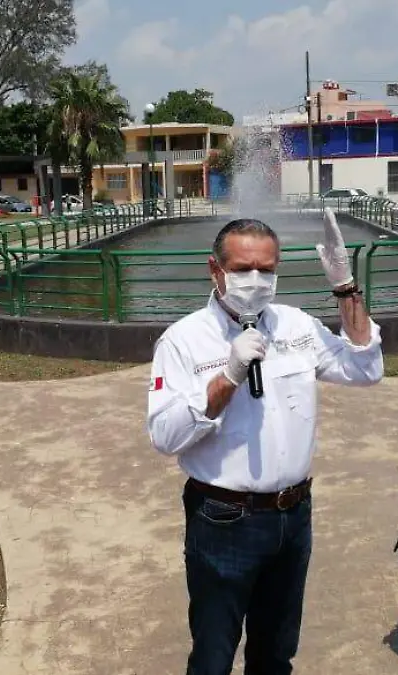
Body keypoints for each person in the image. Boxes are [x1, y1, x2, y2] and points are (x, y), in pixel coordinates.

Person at [147, 209, 384, 675]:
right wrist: (227, 378)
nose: (255, 280)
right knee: (213, 657)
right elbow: (165, 436)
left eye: (266, 269)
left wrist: (344, 288)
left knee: (275, 654)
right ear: (215, 269)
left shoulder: (295, 326)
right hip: (223, 519)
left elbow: (365, 367)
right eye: (242, 269)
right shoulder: (183, 340)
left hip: (293, 515)